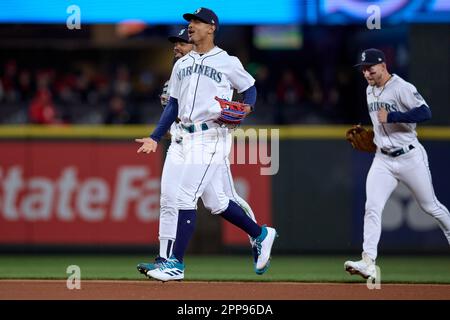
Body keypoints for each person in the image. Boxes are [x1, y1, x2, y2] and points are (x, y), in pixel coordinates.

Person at [136, 8, 277, 282]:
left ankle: (176, 263)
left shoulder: (227, 61)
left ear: (211, 28)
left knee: (185, 198)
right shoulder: (181, 64)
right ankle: (260, 234)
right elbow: (173, 105)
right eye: (190, 22)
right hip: (180, 136)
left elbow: (250, 87)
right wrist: (155, 137)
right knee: (205, 201)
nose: (191, 26)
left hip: (210, 136)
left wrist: (247, 107)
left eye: (197, 22)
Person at [344, 48, 450, 280]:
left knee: (430, 205)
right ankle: (368, 261)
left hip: (410, 157)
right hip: (383, 159)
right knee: (372, 207)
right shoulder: (369, 90)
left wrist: (392, 117)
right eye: (363, 69)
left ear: (383, 65)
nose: (366, 73)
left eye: (370, 68)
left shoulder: (402, 87)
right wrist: (374, 139)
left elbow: (425, 113)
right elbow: (381, 127)